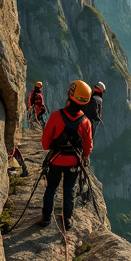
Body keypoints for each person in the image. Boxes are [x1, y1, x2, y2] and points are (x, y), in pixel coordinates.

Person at [38, 80, 93, 231]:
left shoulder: (56, 116)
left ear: (70, 94)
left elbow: (45, 143)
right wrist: (85, 157)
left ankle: (46, 217)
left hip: (56, 159)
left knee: (52, 187)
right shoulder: (86, 122)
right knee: (69, 189)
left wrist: (53, 147)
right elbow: (88, 145)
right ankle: (67, 219)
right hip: (74, 162)